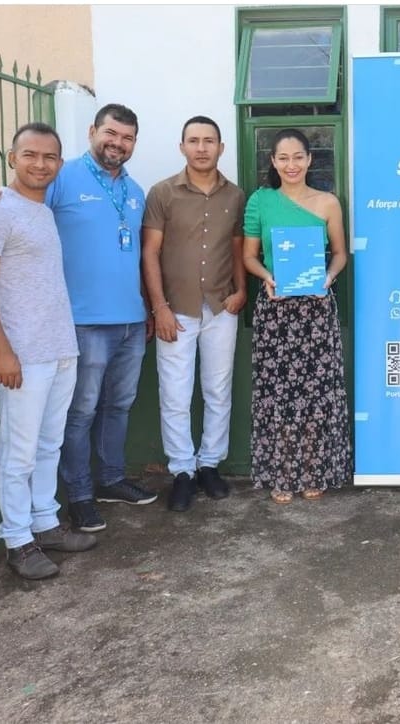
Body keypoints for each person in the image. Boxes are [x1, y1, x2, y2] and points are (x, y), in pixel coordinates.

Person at [0, 104, 157, 533]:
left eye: (127, 137)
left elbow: (135, 253)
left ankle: (110, 480)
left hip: (129, 318)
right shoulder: (62, 176)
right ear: (92, 131)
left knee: (119, 405)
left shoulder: (135, 190)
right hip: (78, 322)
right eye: (110, 133)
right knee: (80, 412)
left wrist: (146, 305)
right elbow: (15, 204)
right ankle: (80, 495)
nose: (117, 143)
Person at [0, 123, 97, 579]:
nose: (40, 164)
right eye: (31, 155)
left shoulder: (41, 210)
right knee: (17, 451)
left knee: (48, 445)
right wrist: (1, 351)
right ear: (12, 157)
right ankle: (18, 540)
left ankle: (45, 523)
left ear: (59, 164)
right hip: (21, 353)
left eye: (49, 157)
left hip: (60, 348)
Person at [142, 116, 247, 512]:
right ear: (182, 146)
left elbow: (237, 248)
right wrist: (160, 307)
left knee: (219, 390)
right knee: (175, 394)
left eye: (209, 141)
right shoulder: (162, 193)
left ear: (221, 148)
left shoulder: (235, 196)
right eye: (193, 141)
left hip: (222, 306)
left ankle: (209, 465)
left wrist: (240, 291)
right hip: (176, 310)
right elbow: (149, 252)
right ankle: (182, 471)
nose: (201, 148)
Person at [242, 129, 351, 504]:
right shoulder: (261, 201)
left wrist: (328, 276)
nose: (291, 165)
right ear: (273, 161)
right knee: (279, 395)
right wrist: (266, 277)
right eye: (283, 158)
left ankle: (314, 470)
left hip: (316, 309)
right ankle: (283, 473)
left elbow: (340, 253)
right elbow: (249, 257)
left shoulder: (327, 203)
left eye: (298, 157)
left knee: (316, 393)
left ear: (310, 159)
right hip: (276, 309)